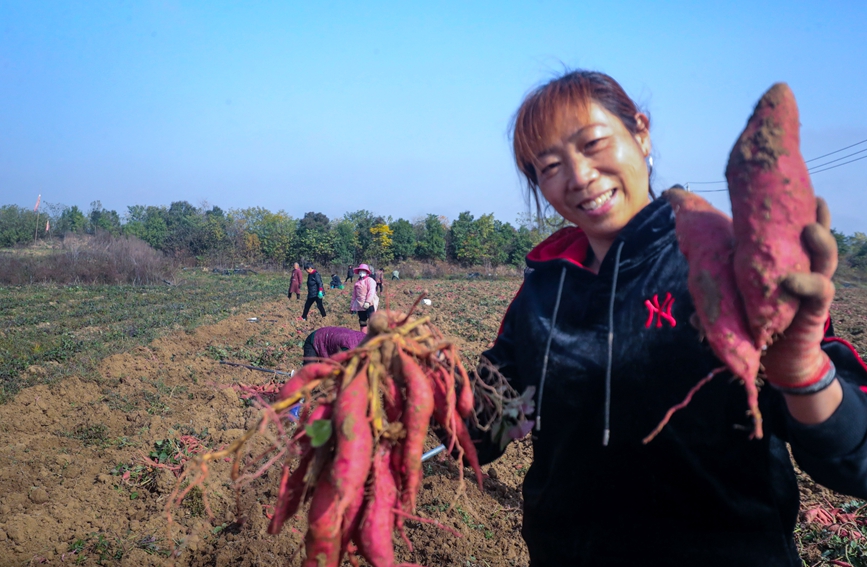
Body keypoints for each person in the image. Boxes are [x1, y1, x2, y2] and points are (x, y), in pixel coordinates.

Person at [466, 70, 867, 566]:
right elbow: (486, 433)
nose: (579, 177)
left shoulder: (730, 262)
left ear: (641, 131)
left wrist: (804, 373)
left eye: (593, 143)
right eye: (549, 167)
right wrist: (419, 392)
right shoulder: (545, 290)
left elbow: (857, 461)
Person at [350, 263, 379, 332]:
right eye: (360, 270)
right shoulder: (357, 282)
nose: (361, 272)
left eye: (363, 270)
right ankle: (363, 336)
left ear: (366, 272)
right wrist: (351, 306)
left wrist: (368, 302)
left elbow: (371, 291)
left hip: (369, 304)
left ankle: (375, 336)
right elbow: (354, 295)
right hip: (360, 305)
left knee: (372, 321)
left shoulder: (370, 280)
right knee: (362, 321)